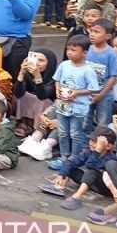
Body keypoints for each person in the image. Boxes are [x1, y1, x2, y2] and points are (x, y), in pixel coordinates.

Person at [50, 35, 100, 168]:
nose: (70, 53)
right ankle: (64, 157)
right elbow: (57, 79)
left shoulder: (88, 70)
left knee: (76, 134)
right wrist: (57, 89)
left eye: (74, 50)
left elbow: (93, 88)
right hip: (62, 106)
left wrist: (77, 93)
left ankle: (74, 157)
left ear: (84, 52)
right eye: (68, 49)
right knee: (62, 133)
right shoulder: (64, 65)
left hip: (78, 108)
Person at [42, 127, 117, 210]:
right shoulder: (90, 152)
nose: (91, 143)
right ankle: (59, 186)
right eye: (91, 140)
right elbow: (72, 162)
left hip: (104, 187)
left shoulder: (111, 159)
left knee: (91, 171)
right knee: (71, 167)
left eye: (96, 142)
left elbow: (90, 165)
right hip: (91, 182)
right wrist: (61, 175)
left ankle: (77, 197)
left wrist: (97, 151)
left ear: (108, 146)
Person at [13, 48, 57, 140]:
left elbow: (42, 95)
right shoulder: (29, 74)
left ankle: (37, 128)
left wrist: (37, 76)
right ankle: (24, 123)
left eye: (41, 60)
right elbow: (17, 93)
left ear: (49, 63)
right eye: (35, 59)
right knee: (22, 95)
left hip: (47, 110)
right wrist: (21, 73)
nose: (37, 63)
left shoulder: (54, 78)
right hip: (32, 106)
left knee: (41, 100)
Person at [85, 19, 117, 131]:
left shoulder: (111, 54)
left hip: (104, 96)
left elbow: (113, 77)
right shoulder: (87, 49)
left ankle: (100, 146)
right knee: (85, 121)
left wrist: (101, 94)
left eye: (97, 32)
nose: (92, 34)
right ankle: (84, 146)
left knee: (102, 124)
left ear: (108, 36)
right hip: (86, 93)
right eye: (91, 31)